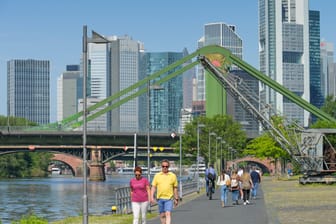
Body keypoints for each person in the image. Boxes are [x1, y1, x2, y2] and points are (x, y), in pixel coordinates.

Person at [150, 159, 178, 224]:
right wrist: (151, 197)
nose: (165, 168)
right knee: (162, 215)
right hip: (160, 198)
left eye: (166, 166)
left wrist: (176, 198)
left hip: (169, 199)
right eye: (163, 166)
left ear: (168, 167)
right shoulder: (157, 176)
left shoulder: (172, 176)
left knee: (168, 213)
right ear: (161, 166)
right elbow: (153, 187)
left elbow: (175, 188)